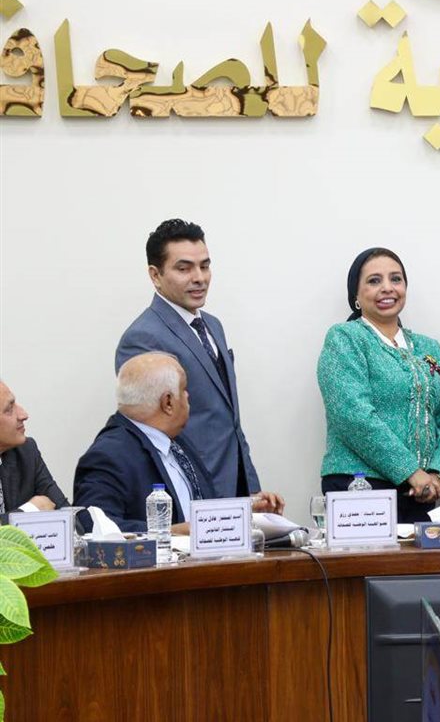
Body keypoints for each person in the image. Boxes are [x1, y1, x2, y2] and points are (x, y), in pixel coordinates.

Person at [116, 219, 261, 500]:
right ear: (155, 275)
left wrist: (251, 487)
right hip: (189, 490)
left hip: (235, 485)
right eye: (184, 268)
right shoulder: (142, 337)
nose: (199, 277)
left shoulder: (213, 325)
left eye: (204, 266)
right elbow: (149, 432)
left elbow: (230, 420)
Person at [316, 248, 440, 523]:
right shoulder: (345, 338)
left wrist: (438, 474)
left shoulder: (429, 347)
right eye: (374, 281)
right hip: (359, 487)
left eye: (396, 279)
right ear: (356, 295)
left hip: (422, 493)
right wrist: (410, 471)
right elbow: (352, 415)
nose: (387, 288)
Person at [74, 353, 284, 533]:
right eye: (184, 389)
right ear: (168, 402)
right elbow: (94, 527)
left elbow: (199, 512)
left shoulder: (177, 442)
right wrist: (174, 533)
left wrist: (244, 511)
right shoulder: (109, 455)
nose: (188, 395)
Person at [0, 379, 69, 520]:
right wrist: (27, 512)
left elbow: (70, 518)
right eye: (9, 409)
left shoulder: (25, 452)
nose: (23, 415)